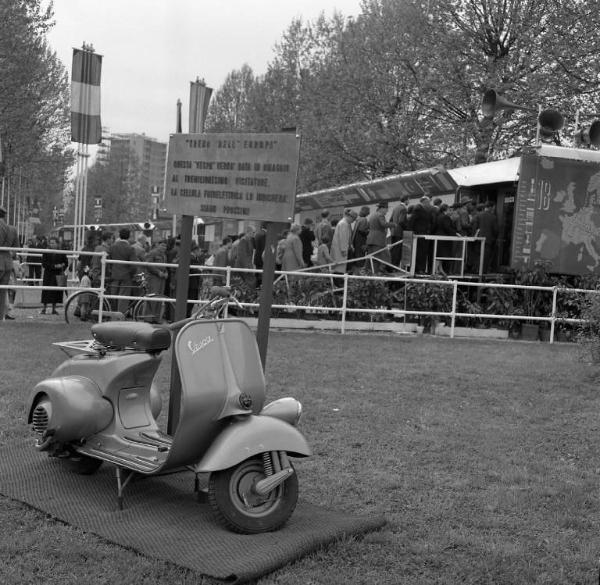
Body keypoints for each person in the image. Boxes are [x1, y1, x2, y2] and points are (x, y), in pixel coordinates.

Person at [109, 228, 137, 314]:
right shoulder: (130, 249)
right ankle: (120, 316)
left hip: (114, 275)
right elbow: (133, 265)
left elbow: (109, 261)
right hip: (126, 276)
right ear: (128, 236)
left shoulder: (112, 247)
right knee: (123, 298)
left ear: (119, 236)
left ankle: (112, 314)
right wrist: (132, 274)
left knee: (113, 296)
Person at [40, 236, 67, 315]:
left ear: (57, 244)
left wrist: (62, 266)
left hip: (58, 274)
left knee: (56, 292)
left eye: (53, 243)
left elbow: (66, 262)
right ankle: (44, 308)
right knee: (46, 291)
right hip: (48, 274)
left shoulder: (62, 252)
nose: (51, 244)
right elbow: (44, 263)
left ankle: (54, 309)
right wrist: (54, 266)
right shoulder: (46, 252)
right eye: (50, 243)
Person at [0, 206, 18, 321]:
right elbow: (16, 249)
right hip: (7, 262)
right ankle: (1, 317)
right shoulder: (12, 229)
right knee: (2, 292)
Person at [366, 203, 394, 273]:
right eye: (386, 209)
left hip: (370, 239)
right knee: (378, 258)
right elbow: (383, 224)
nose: (387, 211)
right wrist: (393, 224)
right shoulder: (380, 215)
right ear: (382, 208)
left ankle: (369, 273)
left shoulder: (372, 215)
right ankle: (376, 275)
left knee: (371, 258)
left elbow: (368, 226)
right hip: (378, 240)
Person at [472, 201, 499, 273]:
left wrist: (474, 237)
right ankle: (482, 272)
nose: (493, 209)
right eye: (493, 207)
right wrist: (494, 239)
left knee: (478, 255)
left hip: (478, 239)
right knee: (485, 257)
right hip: (488, 241)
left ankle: (476, 270)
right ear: (490, 207)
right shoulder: (493, 217)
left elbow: (474, 227)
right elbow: (495, 230)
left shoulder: (478, 215)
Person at [434, 203, 460, 274]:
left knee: (439, 255)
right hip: (444, 239)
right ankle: (436, 270)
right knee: (441, 254)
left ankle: (439, 269)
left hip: (438, 237)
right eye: (449, 210)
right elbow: (447, 227)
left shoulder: (439, 216)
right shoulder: (446, 217)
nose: (450, 211)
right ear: (445, 210)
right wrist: (455, 234)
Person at [331, 209, 357, 274]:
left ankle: (338, 280)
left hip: (338, 248)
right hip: (340, 250)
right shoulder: (344, 224)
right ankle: (338, 281)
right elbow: (343, 238)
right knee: (339, 267)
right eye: (353, 220)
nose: (353, 222)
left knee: (338, 266)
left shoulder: (343, 223)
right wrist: (344, 250)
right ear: (350, 217)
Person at [390, 195, 409, 266]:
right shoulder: (404, 209)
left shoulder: (395, 208)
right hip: (399, 233)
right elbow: (401, 221)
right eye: (408, 200)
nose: (409, 202)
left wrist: (392, 230)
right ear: (406, 200)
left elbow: (391, 220)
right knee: (397, 251)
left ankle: (390, 266)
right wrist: (407, 229)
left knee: (393, 250)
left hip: (393, 232)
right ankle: (394, 267)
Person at [350, 206, 370, 271]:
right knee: (360, 257)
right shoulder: (364, 219)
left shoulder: (358, 219)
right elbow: (362, 230)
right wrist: (369, 231)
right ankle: (359, 271)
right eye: (368, 211)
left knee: (357, 256)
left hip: (356, 241)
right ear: (366, 212)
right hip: (361, 241)